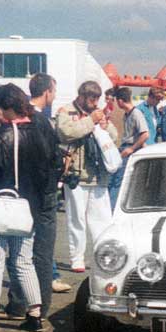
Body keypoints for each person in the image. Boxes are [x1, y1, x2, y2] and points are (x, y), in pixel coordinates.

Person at [0, 84, 53, 332]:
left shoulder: (1, 135)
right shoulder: (38, 134)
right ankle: (35, 315)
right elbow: (48, 173)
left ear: (7, 108)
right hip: (27, 210)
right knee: (23, 262)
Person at [56, 81, 119, 272]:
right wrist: (91, 120)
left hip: (98, 176)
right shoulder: (66, 112)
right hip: (76, 175)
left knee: (103, 220)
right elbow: (66, 133)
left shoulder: (99, 113)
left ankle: (105, 255)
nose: (94, 103)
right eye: (91, 99)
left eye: (97, 100)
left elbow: (115, 137)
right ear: (81, 96)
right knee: (77, 219)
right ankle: (77, 258)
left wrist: (105, 125)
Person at [26, 73, 69, 300]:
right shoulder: (41, 121)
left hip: (26, 191)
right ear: (46, 92)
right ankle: (39, 301)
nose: (54, 95)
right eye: (54, 91)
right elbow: (48, 158)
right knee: (42, 250)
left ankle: (23, 298)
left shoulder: (25, 117)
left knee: (23, 250)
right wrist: (61, 163)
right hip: (43, 192)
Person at [109, 87, 149, 209]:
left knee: (117, 181)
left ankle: (112, 209)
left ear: (120, 101)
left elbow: (145, 134)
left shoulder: (136, 114)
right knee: (115, 179)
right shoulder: (127, 114)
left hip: (129, 149)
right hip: (125, 147)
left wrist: (132, 148)